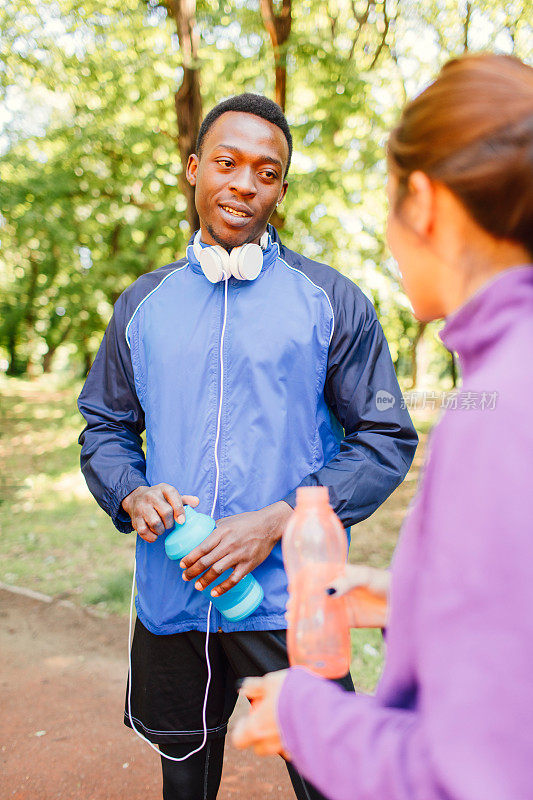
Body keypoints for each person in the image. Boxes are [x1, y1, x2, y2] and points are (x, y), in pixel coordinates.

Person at [78, 92, 417, 800]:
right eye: (227, 163)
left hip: (290, 598)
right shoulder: (142, 305)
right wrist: (131, 491)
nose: (244, 183)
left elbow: (383, 437)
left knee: (328, 777)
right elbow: (105, 428)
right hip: (173, 596)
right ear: (194, 168)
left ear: (281, 190)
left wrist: (280, 518)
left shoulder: (332, 300)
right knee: (184, 778)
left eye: (266, 172)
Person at [232, 54, 533, 800]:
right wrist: (415, 600)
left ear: (423, 203)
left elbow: (473, 776)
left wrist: (304, 719)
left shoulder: (495, 405)